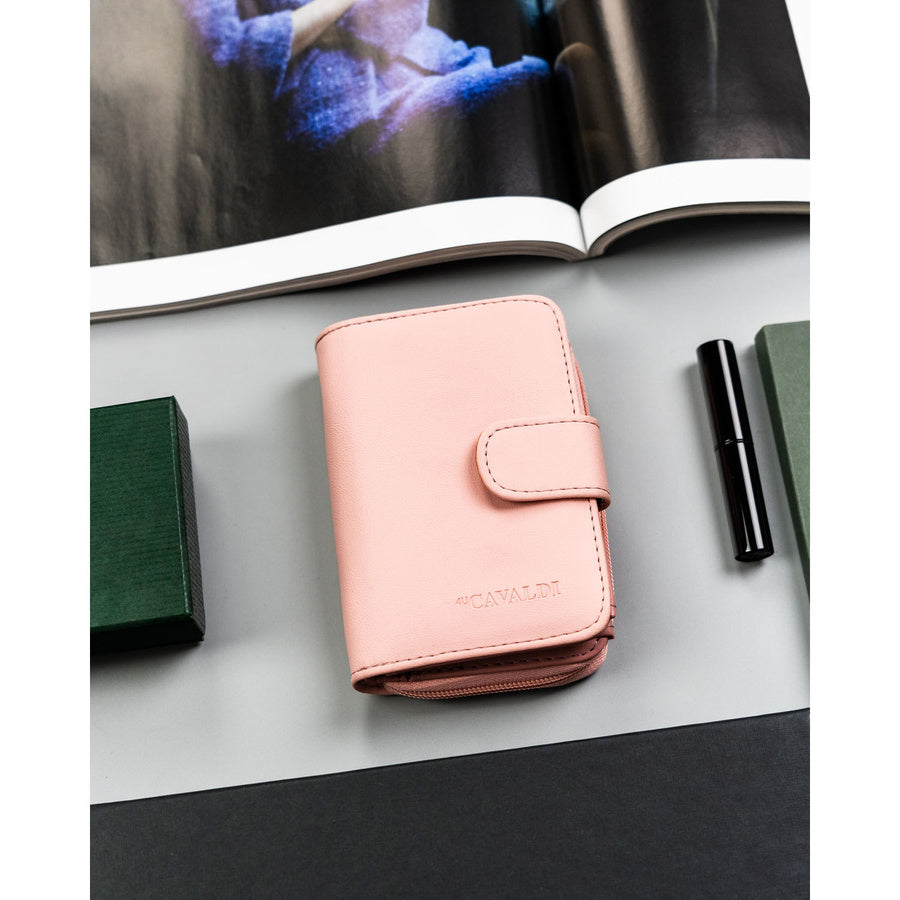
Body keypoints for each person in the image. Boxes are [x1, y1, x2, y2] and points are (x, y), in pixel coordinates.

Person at [177, 0, 551, 153]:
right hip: (340, 109)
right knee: (532, 78)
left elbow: (406, 10)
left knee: (550, 76)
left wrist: (308, 27)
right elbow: (225, 58)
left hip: (435, 55)